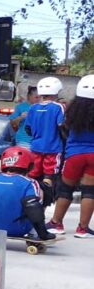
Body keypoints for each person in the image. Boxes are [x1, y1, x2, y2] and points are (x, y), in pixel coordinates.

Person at [46, 74, 94, 236]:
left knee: (66, 189)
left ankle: (56, 223)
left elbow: (63, 129)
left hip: (74, 155)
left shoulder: (72, 111)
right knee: (89, 192)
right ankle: (83, 228)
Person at [23, 76, 66, 205]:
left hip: (35, 147)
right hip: (53, 148)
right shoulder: (59, 107)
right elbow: (62, 126)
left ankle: (29, 198)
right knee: (49, 176)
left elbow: (28, 129)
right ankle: (44, 203)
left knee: (32, 175)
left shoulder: (32, 108)